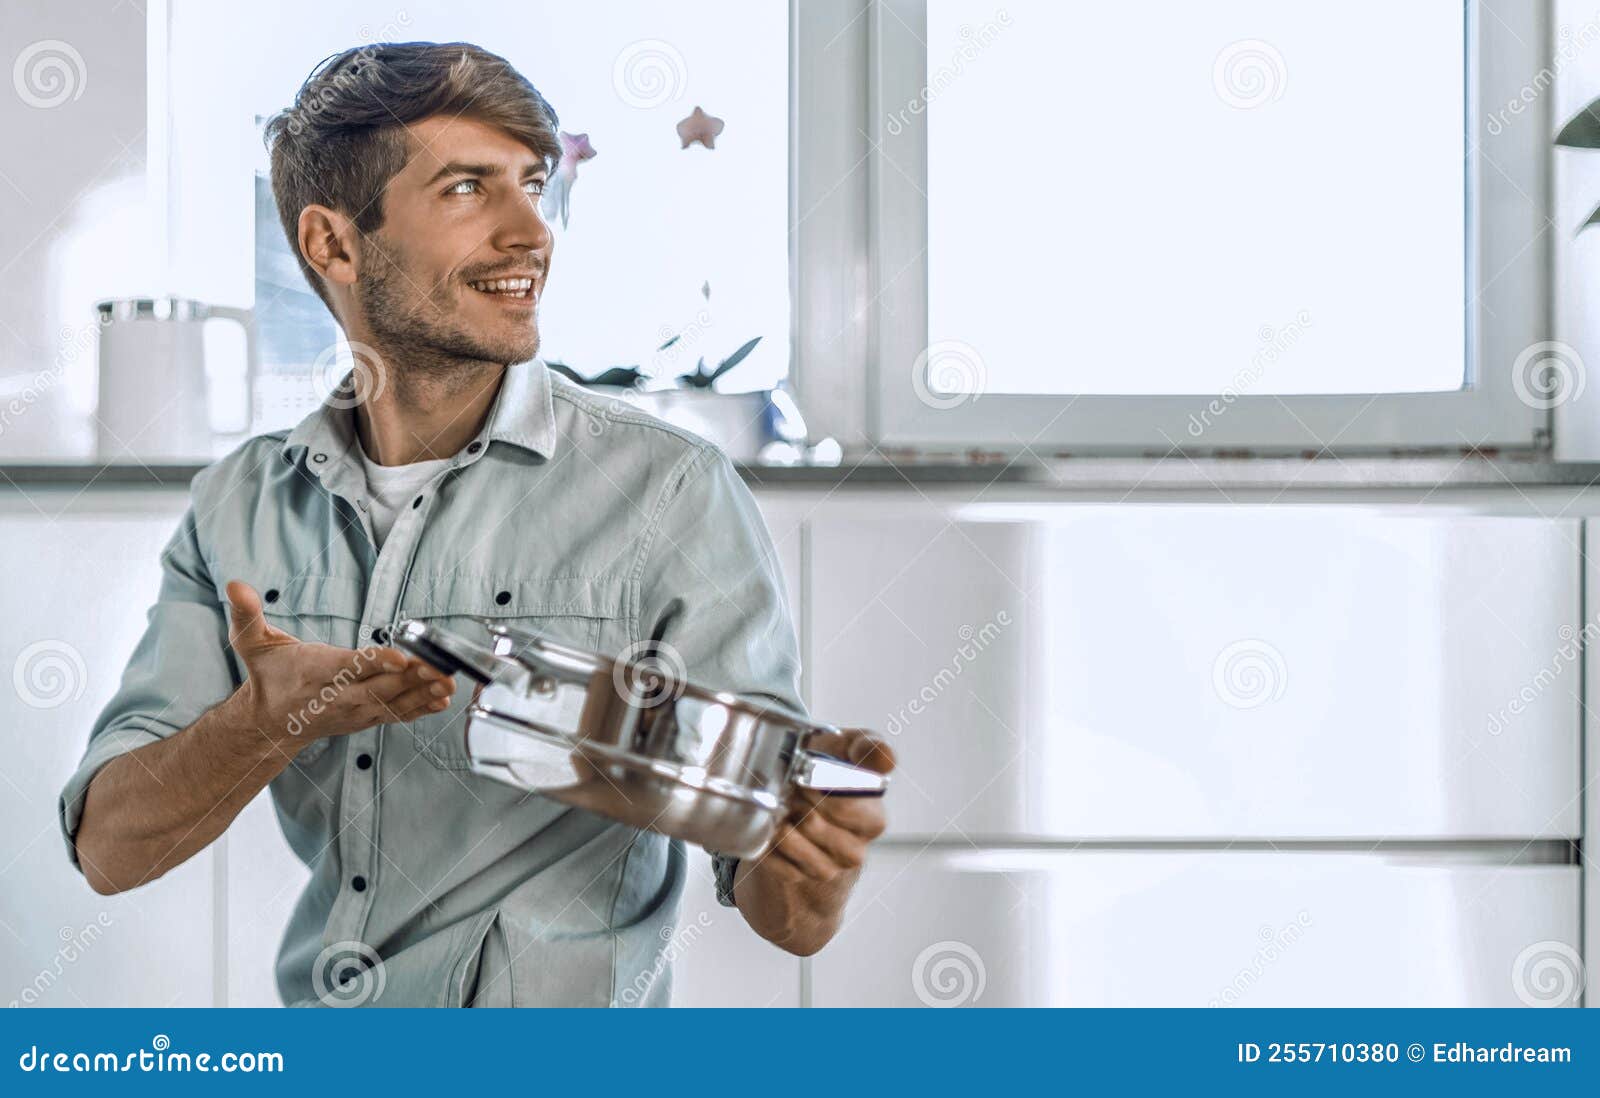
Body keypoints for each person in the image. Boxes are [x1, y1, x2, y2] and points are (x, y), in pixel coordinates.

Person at [59, 41, 894, 1007]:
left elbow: (783, 908)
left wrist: (813, 862)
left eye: (534, 185)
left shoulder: (670, 490)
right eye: (467, 188)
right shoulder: (240, 506)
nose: (530, 230)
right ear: (333, 244)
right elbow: (110, 851)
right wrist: (265, 718)